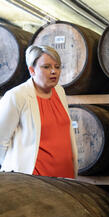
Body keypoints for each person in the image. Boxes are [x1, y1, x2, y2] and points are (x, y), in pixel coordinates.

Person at [0, 45, 78, 178]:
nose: (54, 71)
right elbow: (1, 139)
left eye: (57, 67)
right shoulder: (17, 95)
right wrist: (12, 174)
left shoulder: (59, 91)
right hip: (34, 180)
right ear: (32, 70)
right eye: (46, 67)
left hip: (65, 176)